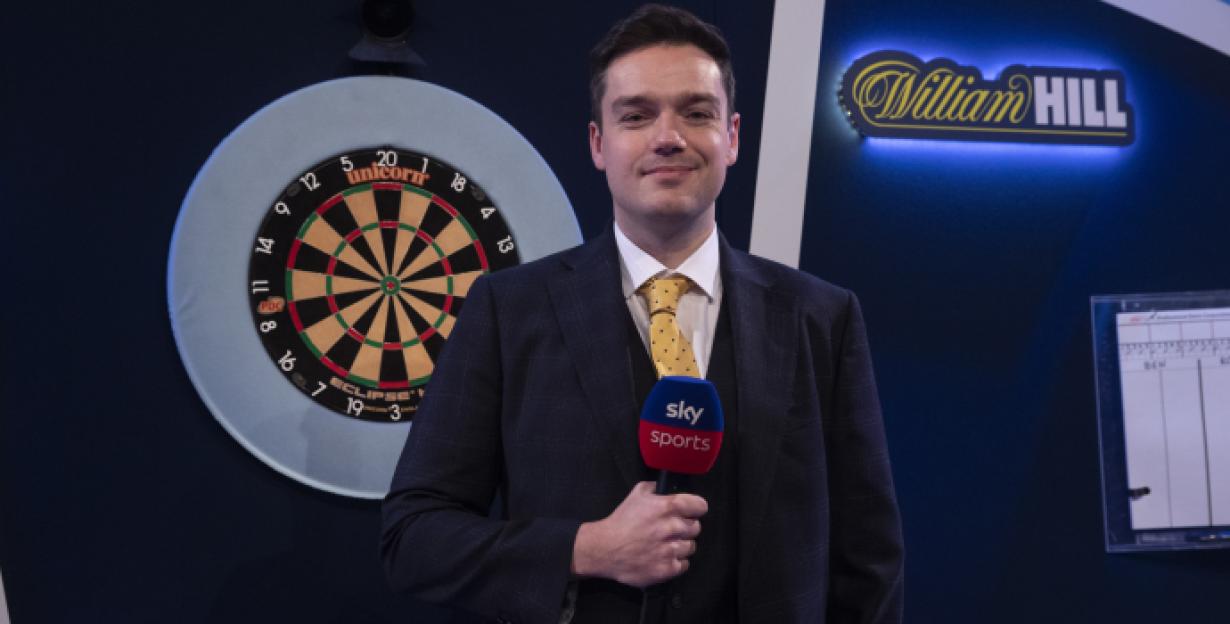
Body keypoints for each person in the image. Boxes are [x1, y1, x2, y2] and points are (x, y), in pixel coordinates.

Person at [381, 5, 904, 623]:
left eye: (696, 112)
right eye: (636, 115)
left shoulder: (822, 318)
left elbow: (868, 562)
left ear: (732, 137)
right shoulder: (509, 312)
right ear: (599, 144)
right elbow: (413, 536)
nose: (668, 136)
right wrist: (584, 549)